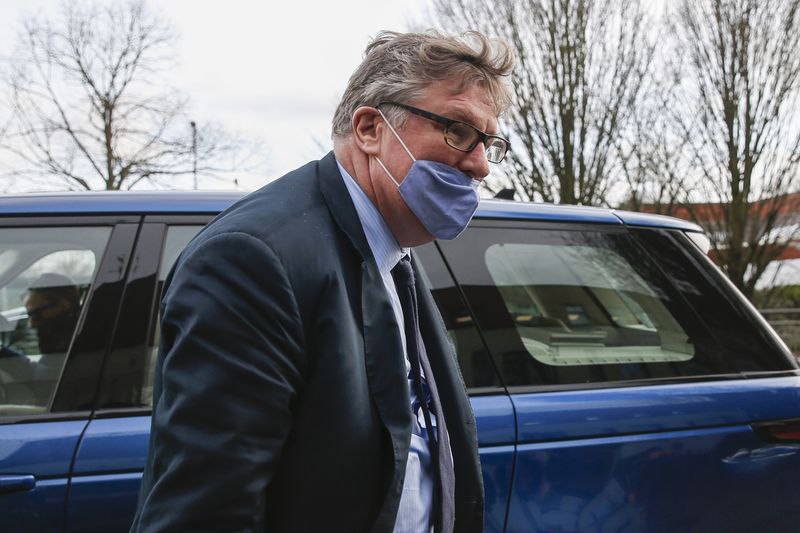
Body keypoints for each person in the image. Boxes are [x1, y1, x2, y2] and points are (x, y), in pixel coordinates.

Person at [131, 30, 514, 533]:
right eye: (457, 130)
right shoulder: (252, 260)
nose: (480, 164)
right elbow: (206, 512)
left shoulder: (392, 248)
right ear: (370, 128)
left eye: (488, 143)